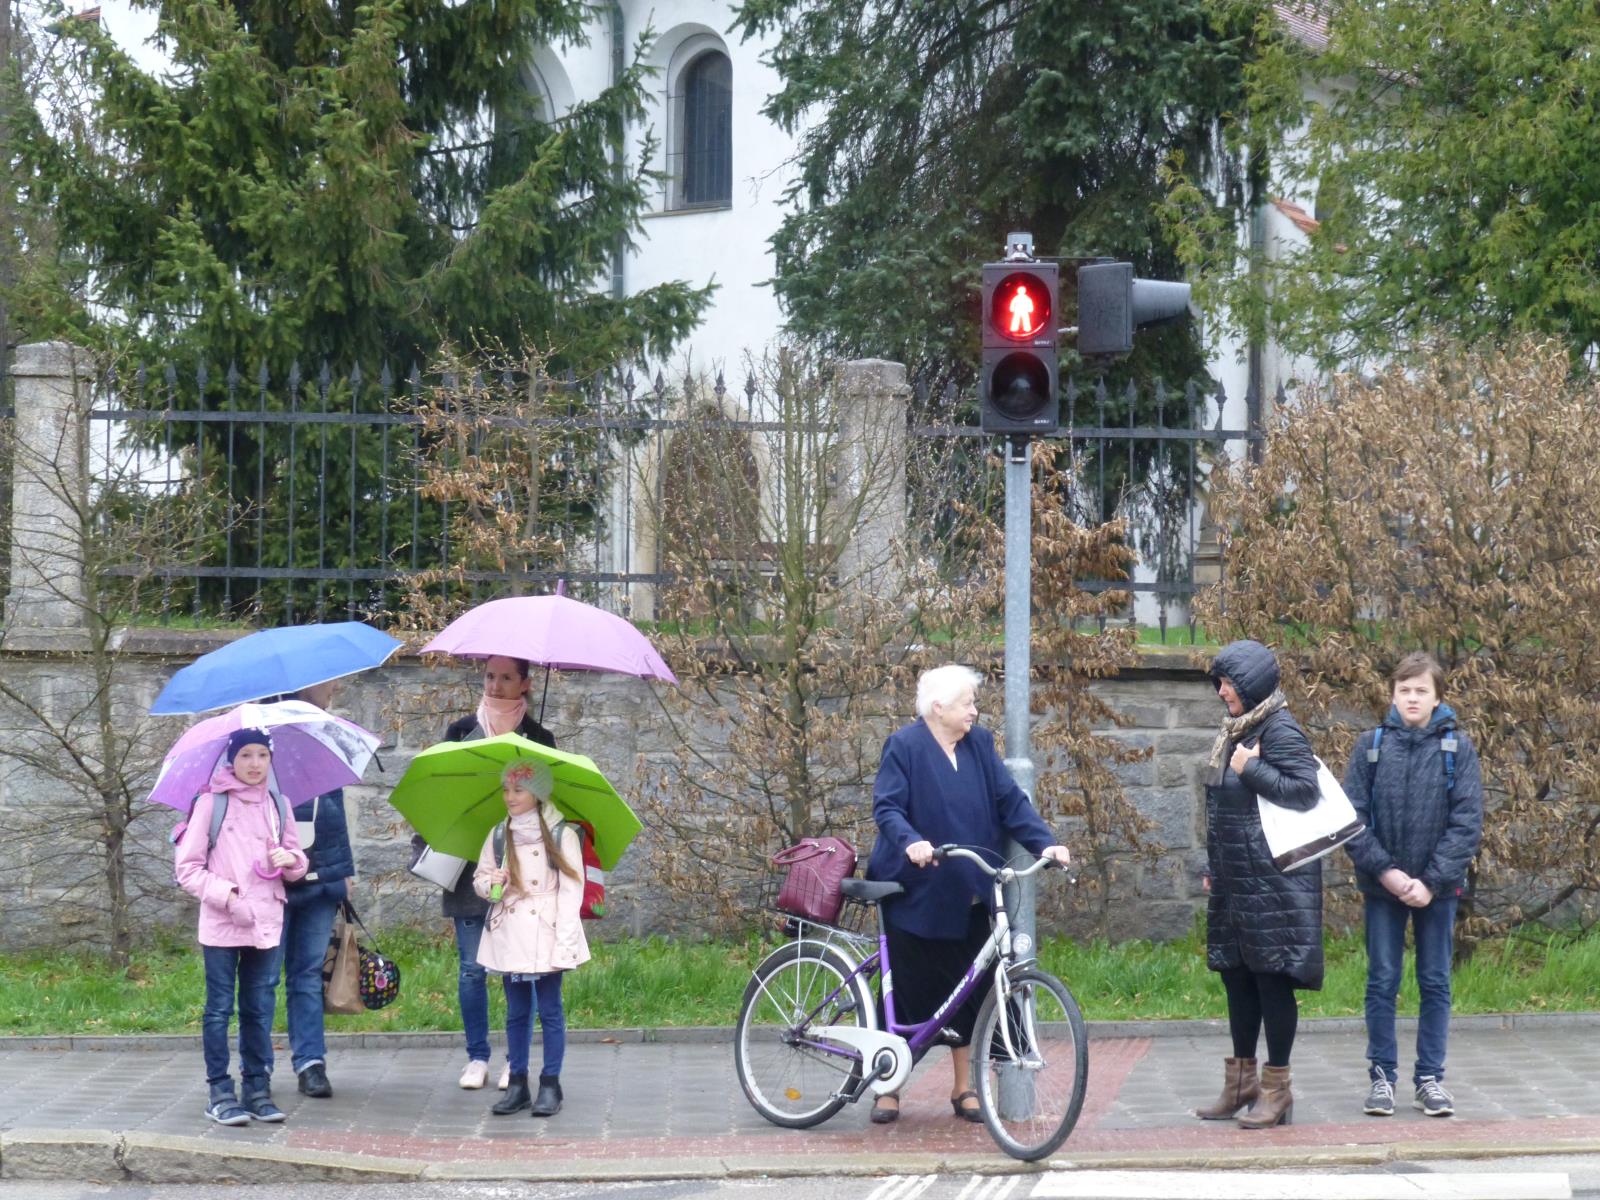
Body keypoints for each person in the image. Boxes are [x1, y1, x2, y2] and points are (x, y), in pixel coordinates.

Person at [863, 664, 1072, 1125]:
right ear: (939, 707)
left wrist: (1045, 842)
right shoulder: (905, 746)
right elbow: (888, 806)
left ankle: (965, 1088)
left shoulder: (979, 744)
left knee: (973, 991)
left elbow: (1010, 802)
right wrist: (911, 841)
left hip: (973, 887)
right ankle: (888, 1087)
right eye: (967, 704)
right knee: (911, 990)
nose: (974, 711)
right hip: (919, 889)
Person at [1342, 652, 1483, 1119]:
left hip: (1437, 891)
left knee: (1435, 981)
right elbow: (1351, 821)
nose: (1412, 698)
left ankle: (1430, 1080)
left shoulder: (1457, 750)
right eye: (1405, 690)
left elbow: (1466, 824)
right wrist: (1387, 872)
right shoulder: (1370, 747)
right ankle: (1382, 1078)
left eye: (1421, 690)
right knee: (1382, 980)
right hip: (1383, 887)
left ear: (1437, 696)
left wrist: (1431, 881)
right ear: (1393, 694)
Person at [411, 654, 556, 1090]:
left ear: (525, 684)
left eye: (506, 678)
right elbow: (439, 795)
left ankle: (517, 1059)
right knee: (472, 969)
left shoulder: (540, 739)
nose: (495, 686)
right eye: (490, 676)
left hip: (522, 874)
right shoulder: (460, 733)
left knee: (519, 969)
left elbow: (551, 808)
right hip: (469, 865)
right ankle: (477, 1056)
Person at [1194, 638, 1322, 1130]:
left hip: (1272, 884)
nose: (1222, 691)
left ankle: (1276, 1089)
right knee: (1237, 976)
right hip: (1234, 877)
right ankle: (1241, 1082)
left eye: (1227, 682)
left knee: (1271, 980)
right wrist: (1212, 864)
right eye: (1220, 683)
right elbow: (1222, 807)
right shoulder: (1235, 730)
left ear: (1250, 683)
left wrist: (1252, 768)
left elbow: (1304, 791)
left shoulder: (1280, 729)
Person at [174, 728, 308, 1126]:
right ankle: (219, 1091)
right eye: (245, 755)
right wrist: (229, 897)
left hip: (266, 922)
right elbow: (187, 869)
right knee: (219, 1010)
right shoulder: (211, 804)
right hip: (222, 924)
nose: (254, 764)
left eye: (262, 755)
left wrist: (292, 861)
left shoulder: (278, 804)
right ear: (232, 760)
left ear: (270, 760)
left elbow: (298, 863)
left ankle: (257, 1088)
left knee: (259, 1010)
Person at [473, 759, 589, 1118]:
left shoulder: (560, 835)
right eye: (506, 789)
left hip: (547, 930)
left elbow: (572, 892)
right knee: (516, 1011)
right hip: (511, 930)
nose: (510, 797)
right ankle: (519, 1081)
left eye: (518, 789)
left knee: (550, 1009)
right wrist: (493, 883)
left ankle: (551, 1082)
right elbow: (480, 881)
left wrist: (565, 942)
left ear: (538, 793)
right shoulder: (497, 835)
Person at [278, 680, 357, 1100]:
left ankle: (311, 1064)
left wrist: (343, 869)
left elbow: (333, 807)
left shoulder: (325, 734)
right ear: (307, 685)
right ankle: (255, 1069)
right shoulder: (259, 735)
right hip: (270, 880)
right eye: (330, 683)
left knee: (307, 974)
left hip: (321, 874)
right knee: (265, 977)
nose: (336, 688)